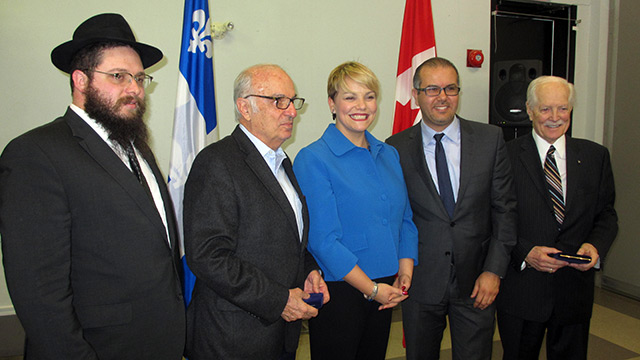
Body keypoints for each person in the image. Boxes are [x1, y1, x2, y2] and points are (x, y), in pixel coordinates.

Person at [0, 13, 185, 359]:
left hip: (156, 341)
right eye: (118, 76)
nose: (134, 89)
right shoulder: (36, 153)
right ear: (81, 80)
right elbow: (39, 293)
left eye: (140, 78)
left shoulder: (136, 147)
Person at [183, 64, 329, 360]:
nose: (291, 112)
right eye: (278, 101)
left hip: (279, 334)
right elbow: (208, 255)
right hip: (233, 337)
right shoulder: (217, 162)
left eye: (292, 101)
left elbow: (288, 236)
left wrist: (309, 270)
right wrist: (278, 300)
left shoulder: (281, 162)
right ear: (244, 108)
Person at [386, 57, 517, 360]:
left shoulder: (490, 139)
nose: (442, 97)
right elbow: (395, 215)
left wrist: (494, 271)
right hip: (420, 280)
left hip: (477, 281)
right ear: (416, 94)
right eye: (432, 89)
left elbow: (505, 210)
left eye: (450, 88)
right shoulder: (395, 148)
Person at [293, 61, 419, 359]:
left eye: (369, 96)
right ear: (332, 104)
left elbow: (405, 219)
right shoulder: (313, 158)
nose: (361, 105)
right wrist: (372, 289)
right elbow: (322, 241)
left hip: (387, 284)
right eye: (350, 97)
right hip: (342, 291)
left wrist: (405, 271)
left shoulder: (388, 153)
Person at [496, 76, 618, 360]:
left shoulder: (595, 156)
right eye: (545, 109)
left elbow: (607, 214)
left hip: (573, 291)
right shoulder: (504, 155)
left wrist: (595, 246)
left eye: (562, 109)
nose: (554, 118)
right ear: (529, 110)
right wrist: (526, 252)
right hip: (523, 288)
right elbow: (494, 217)